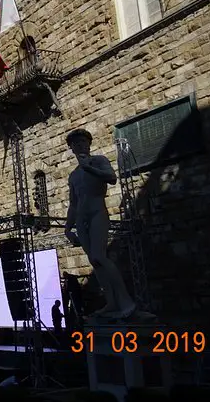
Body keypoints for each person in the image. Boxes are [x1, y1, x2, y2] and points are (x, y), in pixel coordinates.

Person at [65, 128, 136, 319]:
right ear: (71, 148)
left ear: (89, 144)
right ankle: (112, 303)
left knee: (100, 256)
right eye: (75, 143)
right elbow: (73, 203)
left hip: (97, 212)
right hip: (81, 217)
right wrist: (67, 228)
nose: (79, 145)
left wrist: (90, 168)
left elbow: (112, 178)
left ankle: (125, 300)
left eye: (82, 142)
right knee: (94, 261)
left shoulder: (99, 161)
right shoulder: (73, 175)